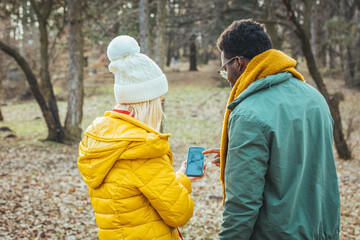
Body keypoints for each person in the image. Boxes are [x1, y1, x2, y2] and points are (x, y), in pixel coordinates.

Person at [203, 19, 340, 239]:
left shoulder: (248, 113)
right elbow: (301, 158)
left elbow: (242, 205)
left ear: (237, 63)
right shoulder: (315, 98)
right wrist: (239, 155)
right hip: (321, 231)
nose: (227, 78)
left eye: (224, 68)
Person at [77, 35, 203, 240]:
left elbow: (141, 196)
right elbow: (179, 213)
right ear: (148, 102)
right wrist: (184, 181)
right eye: (159, 101)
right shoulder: (143, 149)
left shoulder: (103, 140)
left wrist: (181, 176)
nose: (160, 108)